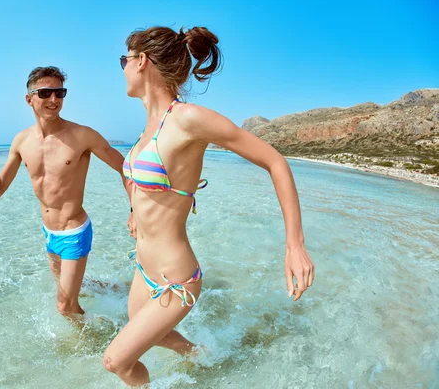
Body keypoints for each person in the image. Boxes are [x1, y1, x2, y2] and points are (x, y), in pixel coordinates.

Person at [102, 26, 315, 387]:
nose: (121, 67)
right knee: (152, 336)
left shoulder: (187, 119)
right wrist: (136, 211)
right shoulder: (147, 128)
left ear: (142, 62)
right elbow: (149, 186)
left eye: (124, 59)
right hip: (144, 269)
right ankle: (201, 354)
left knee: (117, 361)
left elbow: (275, 161)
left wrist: (295, 246)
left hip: (175, 278)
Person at [0, 66, 131, 322]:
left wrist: (136, 210)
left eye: (59, 93)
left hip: (74, 230)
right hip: (49, 232)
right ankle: (119, 290)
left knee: (64, 305)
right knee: (70, 286)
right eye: (45, 93)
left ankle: (94, 343)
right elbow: (2, 181)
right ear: (29, 99)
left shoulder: (82, 135)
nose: (54, 100)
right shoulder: (22, 141)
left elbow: (125, 168)